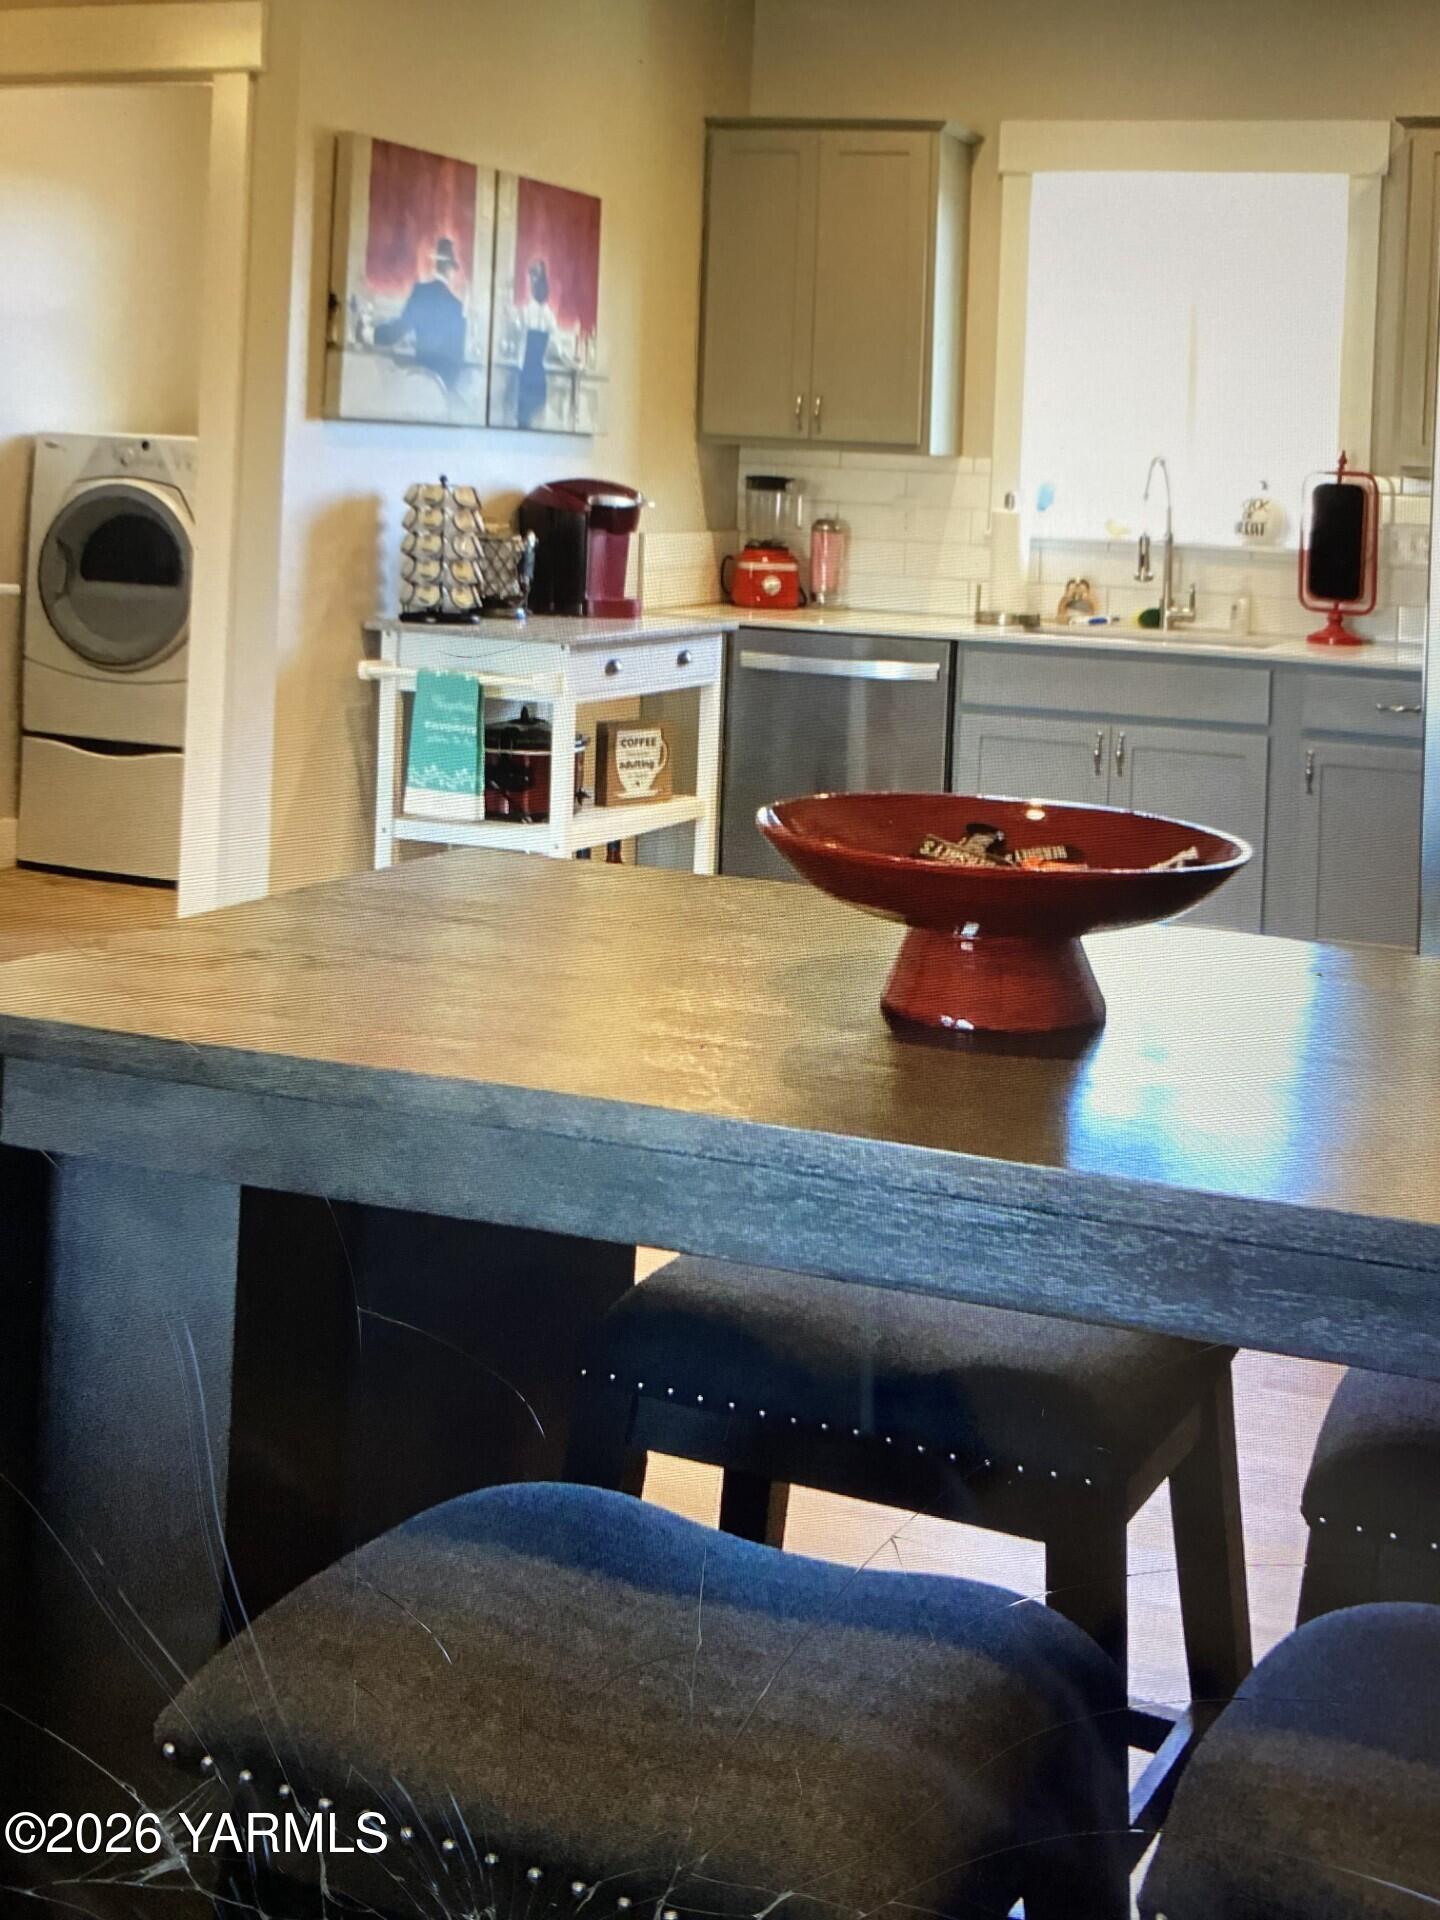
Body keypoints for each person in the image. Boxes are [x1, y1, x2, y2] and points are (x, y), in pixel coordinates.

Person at [374, 236, 468, 389]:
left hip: (422, 381)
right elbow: (458, 356)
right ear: (450, 270)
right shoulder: (456, 306)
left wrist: (373, 333)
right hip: (444, 387)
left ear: (436, 265)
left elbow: (397, 331)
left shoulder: (421, 292)